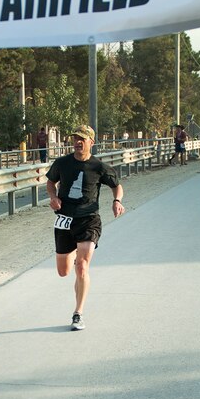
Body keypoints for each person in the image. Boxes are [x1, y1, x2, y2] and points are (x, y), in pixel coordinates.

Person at [45, 125, 124, 331]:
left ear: (91, 142)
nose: (78, 141)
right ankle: (73, 254)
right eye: (75, 138)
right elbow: (50, 182)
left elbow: (117, 185)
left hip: (89, 219)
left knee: (82, 266)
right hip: (64, 219)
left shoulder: (99, 166)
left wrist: (117, 200)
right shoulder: (62, 163)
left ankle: (78, 313)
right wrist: (53, 197)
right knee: (64, 271)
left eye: (83, 138)